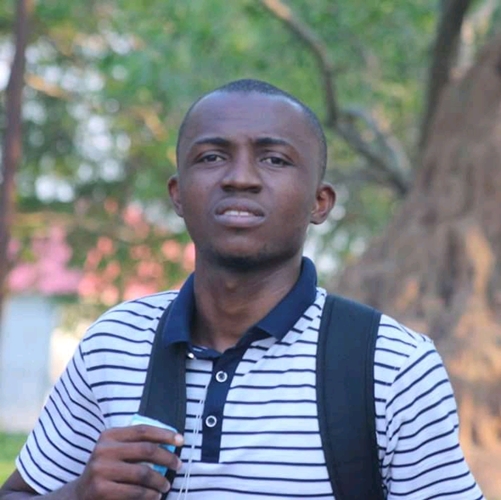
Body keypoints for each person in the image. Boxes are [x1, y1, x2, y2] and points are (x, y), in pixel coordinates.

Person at [0, 79, 484, 500]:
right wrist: (79, 493)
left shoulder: (392, 366)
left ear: (320, 203)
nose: (240, 178)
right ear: (177, 194)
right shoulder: (114, 344)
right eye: (212, 157)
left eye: (274, 159)